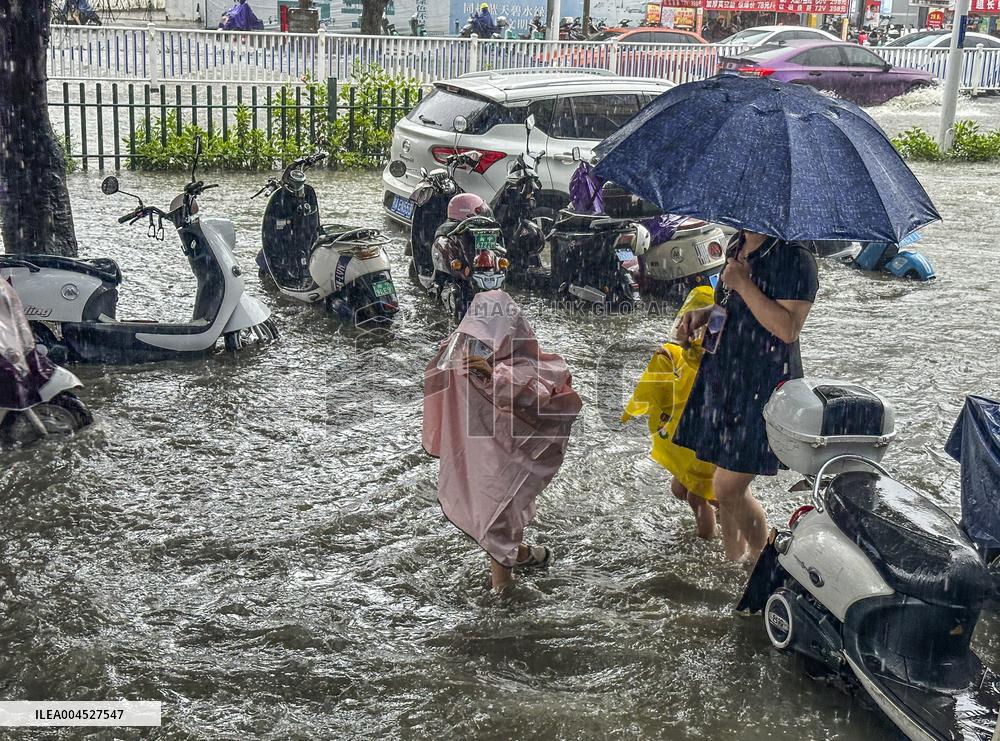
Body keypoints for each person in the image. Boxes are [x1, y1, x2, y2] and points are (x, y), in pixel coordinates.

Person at [672, 231, 818, 563]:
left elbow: (787, 328)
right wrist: (705, 315)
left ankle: (761, 553)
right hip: (723, 376)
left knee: (727, 486)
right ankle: (734, 561)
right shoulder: (736, 244)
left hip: (764, 386)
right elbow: (731, 307)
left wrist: (743, 284)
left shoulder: (796, 258)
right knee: (722, 484)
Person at [423, 291, 583, 590]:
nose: (482, 344)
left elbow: (546, 399)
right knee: (497, 519)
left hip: (510, 459)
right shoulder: (461, 355)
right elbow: (438, 376)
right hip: (482, 457)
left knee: (501, 520)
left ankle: (505, 594)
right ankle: (518, 561)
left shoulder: (527, 365)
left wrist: (495, 376)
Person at [622, 286, 719, 539]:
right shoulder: (686, 357)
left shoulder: (705, 362)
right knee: (682, 489)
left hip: (704, 442)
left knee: (697, 497)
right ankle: (726, 511)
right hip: (697, 438)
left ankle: (705, 542)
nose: (681, 328)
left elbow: (668, 391)